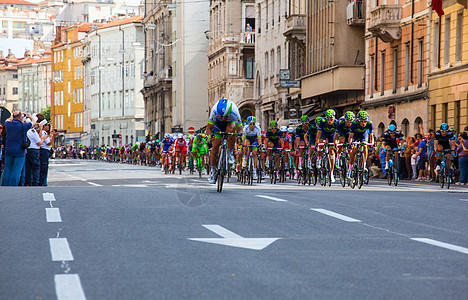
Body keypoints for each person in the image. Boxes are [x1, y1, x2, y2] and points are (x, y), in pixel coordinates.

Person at [205, 98, 243, 184]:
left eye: (225, 116)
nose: (223, 118)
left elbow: (240, 129)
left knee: (232, 130)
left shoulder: (234, 111)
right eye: (221, 116)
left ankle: (229, 153)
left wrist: (240, 136)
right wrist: (210, 136)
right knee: (215, 145)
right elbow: (209, 128)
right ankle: (213, 170)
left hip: (230, 124)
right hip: (217, 125)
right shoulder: (214, 110)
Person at [1, 111, 34, 186]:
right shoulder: (24, 126)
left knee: (7, 169)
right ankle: (13, 185)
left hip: (9, 150)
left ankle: (4, 184)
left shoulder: (8, 124)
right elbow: (34, 123)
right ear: (20, 117)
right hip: (19, 151)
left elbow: (7, 120)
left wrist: (13, 115)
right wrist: (29, 116)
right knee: (16, 170)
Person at [348, 111, 374, 178]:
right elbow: (350, 136)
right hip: (355, 135)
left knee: (365, 146)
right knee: (354, 150)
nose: (363, 123)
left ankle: (364, 165)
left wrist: (372, 143)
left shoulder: (370, 123)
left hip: (363, 135)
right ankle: (350, 168)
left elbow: (371, 136)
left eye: (365, 121)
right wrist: (350, 143)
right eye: (361, 121)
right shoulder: (354, 123)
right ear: (358, 120)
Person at [316, 109, 339, 182]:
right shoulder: (323, 121)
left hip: (332, 135)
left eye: (331, 119)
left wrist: (337, 143)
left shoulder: (336, 122)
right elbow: (319, 133)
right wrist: (317, 142)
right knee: (321, 144)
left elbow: (339, 134)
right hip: (324, 133)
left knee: (332, 152)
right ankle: (319, 158)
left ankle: (331, 172)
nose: (329, 121)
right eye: (328, 119)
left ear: (334, 118)